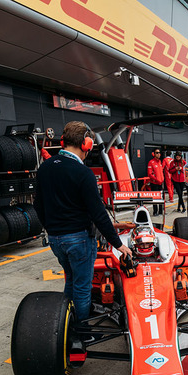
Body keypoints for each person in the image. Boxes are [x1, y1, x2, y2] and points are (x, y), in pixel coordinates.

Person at [34, 121, 132, 323]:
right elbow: (98, 213)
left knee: (70, 280)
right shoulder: (83, 173)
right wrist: (118, 244)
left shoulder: (45, 168)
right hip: (78, 239)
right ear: (86, 144)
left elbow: (38, 205)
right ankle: (82, 333)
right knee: (82, 287)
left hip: (56, 240)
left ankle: (66, 324)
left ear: (63, 141)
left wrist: (51, 228)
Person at [146, 148, 165, 215]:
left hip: (160, 183)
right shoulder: (151, 162)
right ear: (153, 154)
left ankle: (160, 211)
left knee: (161, 197)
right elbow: (150, 174)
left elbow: (161, 172)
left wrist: (162, 179)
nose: (158, 154)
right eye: (157, 153)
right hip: (154, 183)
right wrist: (156, 179)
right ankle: (155, 211)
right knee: (154, 198)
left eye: (159, 153)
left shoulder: (160, 162)